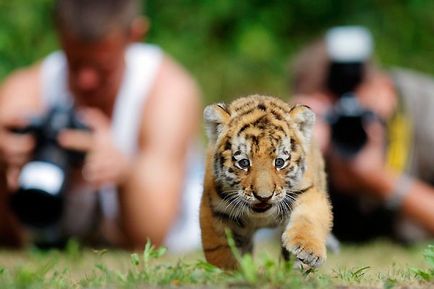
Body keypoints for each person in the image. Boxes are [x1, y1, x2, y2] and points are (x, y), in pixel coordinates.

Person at [0, 0, 202, 251]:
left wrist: (123, 172)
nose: (85, 81)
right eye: (74, 63)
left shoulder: (168, 93)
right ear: (59, 32)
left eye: (102, 68)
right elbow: (9, 239)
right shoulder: (24, 92)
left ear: (135, 35)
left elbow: (151, 238)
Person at [290, 26, 434, 243]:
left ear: (385, 89)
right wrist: (297, 154)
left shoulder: (426, 109)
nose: (349, 123)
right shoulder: (309, 142)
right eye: (336, 114)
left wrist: (381, 180)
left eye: (356, 108)